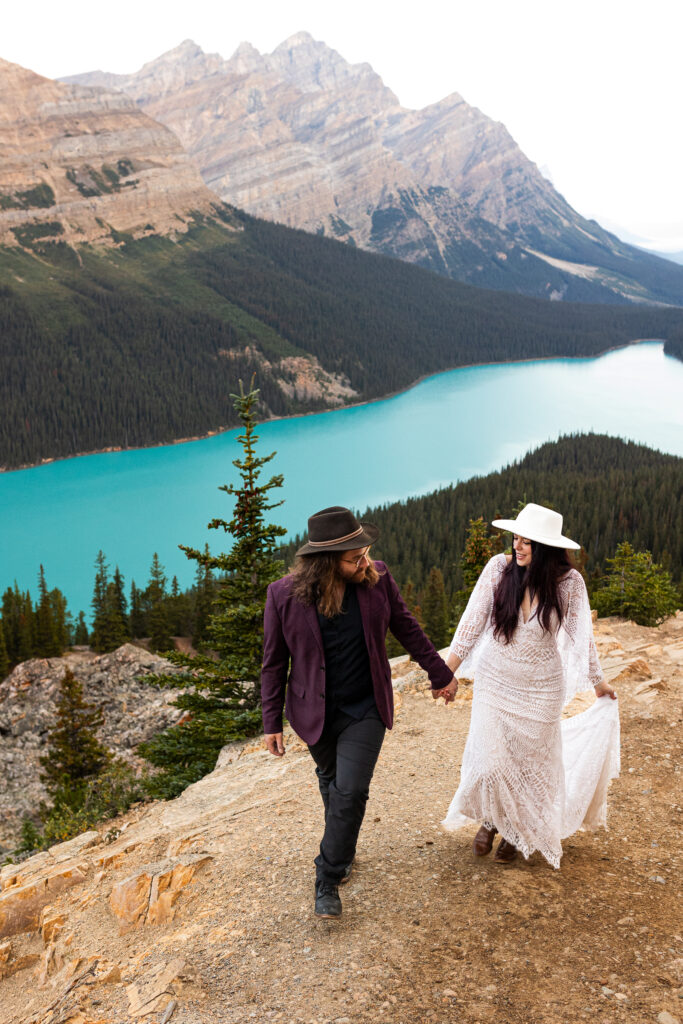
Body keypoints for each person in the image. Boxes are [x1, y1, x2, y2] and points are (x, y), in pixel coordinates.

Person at [261, 506, 457, 918]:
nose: (365, 562)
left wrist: (440, 674)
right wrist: (270, 721)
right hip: (313, 711)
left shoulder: (377, 580)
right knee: (332, 782)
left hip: (365, 705)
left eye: (366, 553)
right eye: (355, 558)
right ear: (326, 563)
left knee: (350, 791)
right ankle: (343, 848)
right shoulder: (283, 595)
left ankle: (327, 876)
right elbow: (274, 662)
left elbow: (407, 627)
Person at [442, 502, 620, 868]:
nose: (517, 547)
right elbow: (471, 623)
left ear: (547, 550)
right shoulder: (498, 569)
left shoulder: (569, 584)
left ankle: (512, 830)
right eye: (516, 539)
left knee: (528, 765)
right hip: (496, 682)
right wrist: (448, 672)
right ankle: (490, 820)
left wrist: (599, 682)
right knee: (491, 760)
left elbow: (581, 638)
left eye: (527, 543)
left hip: (541, 689)